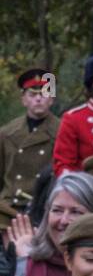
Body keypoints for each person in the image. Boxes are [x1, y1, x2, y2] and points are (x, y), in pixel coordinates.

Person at [0, 69, 60, 212]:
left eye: (44, 94)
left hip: (45, 207)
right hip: (9, 206)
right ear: (24, 100)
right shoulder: (7, 133)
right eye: (32, 94)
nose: (38, 99)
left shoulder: (62, 132)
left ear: (51, 99)